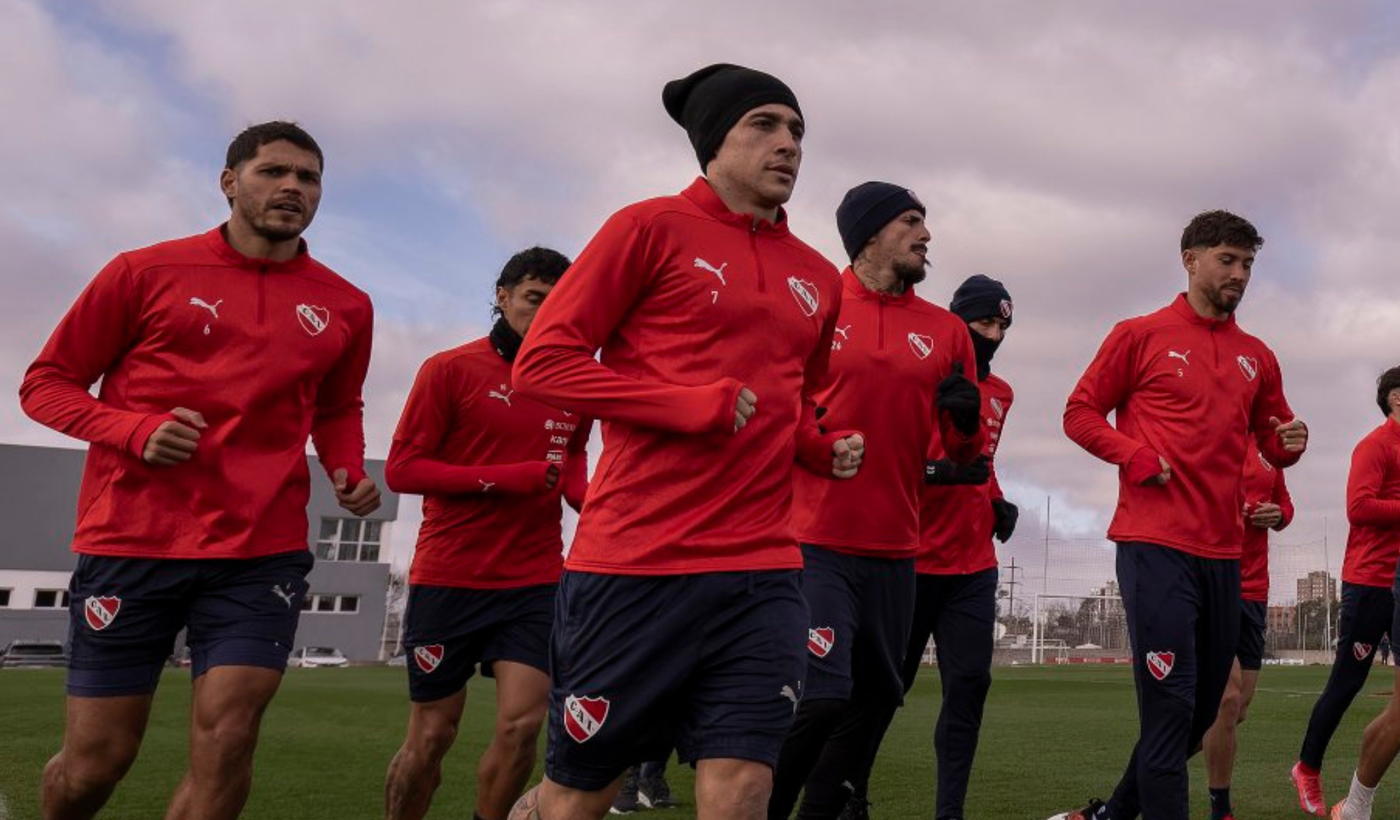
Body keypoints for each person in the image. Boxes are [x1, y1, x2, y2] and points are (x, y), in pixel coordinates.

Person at [506, 64, 861, 820]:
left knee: (746, 785)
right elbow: (542, 364)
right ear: (713, 141)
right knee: (581, 794)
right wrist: (683, 404)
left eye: (797, 130)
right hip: (636, 562)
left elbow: (797, 398)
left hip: (764, 568)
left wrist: (818, 447)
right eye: (764, 124)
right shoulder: (647, 228)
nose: (789, 143)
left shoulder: (818, 276)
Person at [18, 121, 380, 820]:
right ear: (229, 182)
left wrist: (344, 467)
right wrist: (133, 430)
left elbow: (338, 406)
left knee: (229, 740)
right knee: (96, 763)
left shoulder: (346, 303)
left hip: (261, 548)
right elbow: (46, 384)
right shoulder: (142, 272)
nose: (292, 187)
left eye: (308, 177)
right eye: (274, 171)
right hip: (134, 540)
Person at [1052, 210, 1307, 820]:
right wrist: (1134, 454)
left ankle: (1115, 814)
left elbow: (1273, 440)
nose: (1239, 274)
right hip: (1155, 546)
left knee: (1199, 716)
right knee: (1170, 711)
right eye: (1227, 260)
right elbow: (1079, 413)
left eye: (1248, 264)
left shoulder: (1257, 356)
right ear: (1190, 260)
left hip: (1224, 556)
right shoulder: (1138, 335)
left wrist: (1290, 444)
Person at [768, 185, 985, 820]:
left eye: (925, 222)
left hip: (897, 547)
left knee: (878, 696)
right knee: (821, 694)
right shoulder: (815, 303)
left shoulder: (947, 330)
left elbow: (963, 453)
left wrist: (966, 424)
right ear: (868, 235)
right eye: (910, 222)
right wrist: (816, 442)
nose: (926, 235)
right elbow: (780, 405)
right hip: (814, 538)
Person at [382, 248, 590, 820]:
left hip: (534, 579)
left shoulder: (574, 383)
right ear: (502, 296)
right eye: (533, 299)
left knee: (523, 726)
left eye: (558, 304)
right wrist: (506, 478)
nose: (544, 314)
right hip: (450, 576)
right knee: (432, 734)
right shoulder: (449, 369)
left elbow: (571, 462)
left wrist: (595, 503)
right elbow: (403, 470)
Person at [825, 274, 1017, 820]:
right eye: (984, 323)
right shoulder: (917, 374)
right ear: (956, 323)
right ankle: (850, 797)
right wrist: (939, 473)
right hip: (910, 559)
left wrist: (996, 499)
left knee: (970, 687)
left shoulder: (1001, 393)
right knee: (883, 691)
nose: (993, 336)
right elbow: (887, 457)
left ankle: (949, 813)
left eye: (1002, 327)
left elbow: (984, 460)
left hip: (973, 566)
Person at [1292, 370, 1400, 816]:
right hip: (1371, 580)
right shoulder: (1375, 446)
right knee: (1348, 681)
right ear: (1396, 398)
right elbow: (1358, 507)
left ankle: (1356, 801)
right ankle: (1307, 767)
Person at [1200, 438, 1293, 820]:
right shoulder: (1211, 435)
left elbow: (1286, 505)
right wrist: (1221, 506)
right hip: (1214, 579)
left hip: (1255, 590)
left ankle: (1164, 751)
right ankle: (1220, 808)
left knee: (1237, 709)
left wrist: (1278, 514)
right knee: (1227, 700)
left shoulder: (1270, 449)